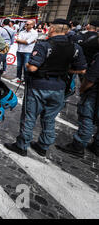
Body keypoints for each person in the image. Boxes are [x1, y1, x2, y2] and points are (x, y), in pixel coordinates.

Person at [5, 20, 87, 157]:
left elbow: (32, 67)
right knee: (49, 119)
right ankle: (43, 146)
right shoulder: (75, 48)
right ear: (67, 31)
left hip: (39, 86)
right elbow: (82, 70)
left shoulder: (44, 45)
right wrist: (64, 71)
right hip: (59, 87)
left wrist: (27, 66)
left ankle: (22, 145)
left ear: (52, 29)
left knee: (29, 117)